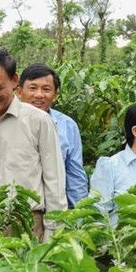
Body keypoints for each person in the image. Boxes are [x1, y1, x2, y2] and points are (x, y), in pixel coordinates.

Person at [0, 49, 67, 241]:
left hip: (26, 223)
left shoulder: (39, 121)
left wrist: (53, 231)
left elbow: (55, 181)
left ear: (14, 80)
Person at [17, 63, 88, 209]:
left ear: (55, 95)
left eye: (46, 89)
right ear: (19, 92)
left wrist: (79, 216)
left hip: (55, 212)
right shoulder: (6, 124)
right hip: (16, 213)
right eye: (32, 88)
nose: (39, 95)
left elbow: (75, 175)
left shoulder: (67, 126)